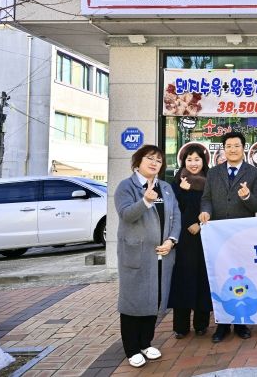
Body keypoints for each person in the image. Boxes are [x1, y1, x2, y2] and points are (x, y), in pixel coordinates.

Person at [114, 145, 181, 368]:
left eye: (159, 160)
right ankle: (132, 348)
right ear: (138, 162)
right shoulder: (126, 186)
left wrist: (171, 240)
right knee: (134, 301)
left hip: (162, 253)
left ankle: (145, 342)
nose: (154, 163)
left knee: (155, 298)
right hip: (137, 254)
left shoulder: (165, 187)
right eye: (150, 158)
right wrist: (145, 201)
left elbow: (176, 216)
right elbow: (126, 214)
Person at [199, 131, 257, 342]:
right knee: (220, 277)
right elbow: (206, 198)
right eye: (228, 146)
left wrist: (247, 196)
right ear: (223, 149)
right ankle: (223, 325)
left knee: (242, 278)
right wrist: (205, 211)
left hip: (241, 235)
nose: (233, 149)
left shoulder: (253, 173)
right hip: (218, 235)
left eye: (236, 146)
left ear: (243, 148)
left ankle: (241, 323)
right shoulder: (213, 172)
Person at [168, 143, 212, 340]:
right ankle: (181, 326)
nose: (193, 163)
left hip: (204, 237)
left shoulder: (210, 182)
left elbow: (214, 207)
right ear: (183, 161)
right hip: (183, 240)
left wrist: (200, 225)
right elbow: (173, 211)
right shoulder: (175, 183)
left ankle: (201, 324)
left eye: (197, 159)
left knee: (203, 278)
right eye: (189, 159)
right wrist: (182, 192)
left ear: (204, 161)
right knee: (182, 280)